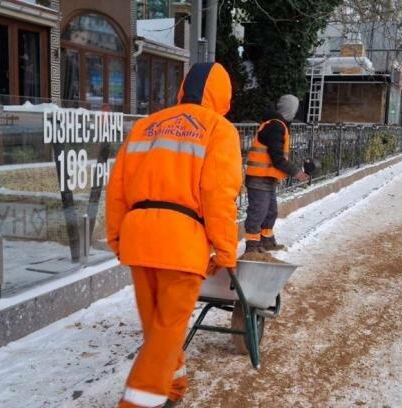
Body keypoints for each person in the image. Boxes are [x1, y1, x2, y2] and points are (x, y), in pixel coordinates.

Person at [106, 62, 242, 408]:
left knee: (157, 328)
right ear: (223, 96)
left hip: (138, 237)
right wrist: (226, 253)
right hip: (182, 242)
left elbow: (117, 189)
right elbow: (218, 195)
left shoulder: (145, 126)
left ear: (183, 89)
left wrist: (116, 238)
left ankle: (174, 386)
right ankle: (138, 403)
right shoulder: (218, 129)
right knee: (166, 330)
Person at [243, 95, 308, 254]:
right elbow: (277, 158)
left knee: (270, 212)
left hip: (267, 178)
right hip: (259, 178)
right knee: (258, 213)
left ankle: (266, 241)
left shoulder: (278, 125)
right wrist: (296, 172)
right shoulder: (275, 126)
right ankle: (252, 248)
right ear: (290, 109)